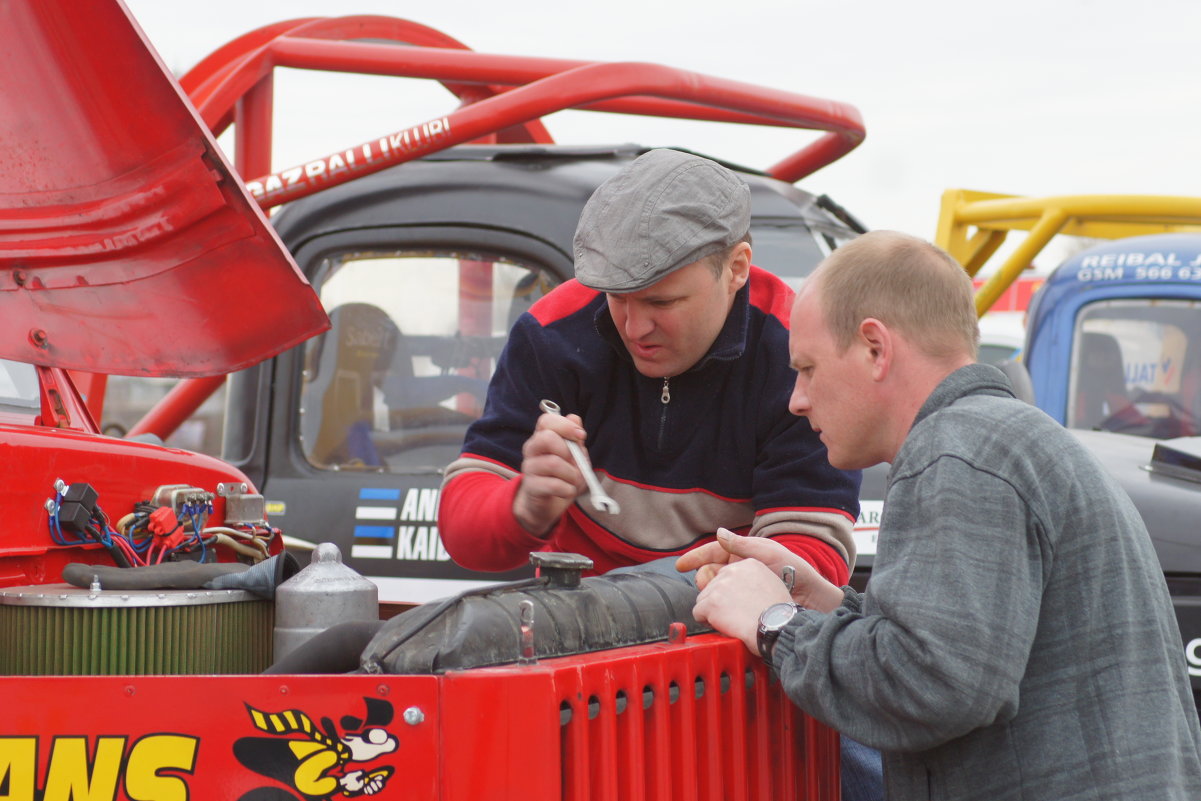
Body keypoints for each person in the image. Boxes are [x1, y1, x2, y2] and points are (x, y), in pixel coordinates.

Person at [685, 230, 1201, 800]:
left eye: (807, 368)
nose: (796, 399)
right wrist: (826, 603)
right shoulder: (1006, 441)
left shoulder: (955, 453)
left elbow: (937, 685)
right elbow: (975, 652)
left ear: (875, 349)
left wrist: (776, 623)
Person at [437, 148, 860, 585]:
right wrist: (524, 504)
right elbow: (462, 535)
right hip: (571, 620)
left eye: (662, 301)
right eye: (616, 296)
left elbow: (814, 559)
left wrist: (718, 583)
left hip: (728, 631)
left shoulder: (796, 358)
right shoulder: (551, 334)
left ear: (736, 268)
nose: (634, 328)